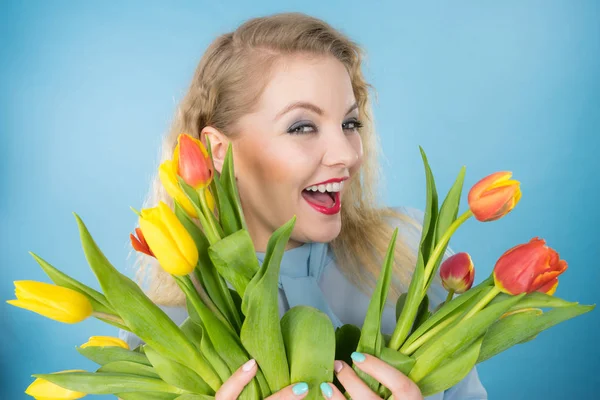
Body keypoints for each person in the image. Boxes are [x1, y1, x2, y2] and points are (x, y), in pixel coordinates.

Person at [120, 11, 488, 400]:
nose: (346, 154)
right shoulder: (165, 330)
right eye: (302, 127)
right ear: (218, 151)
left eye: (350, 124)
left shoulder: (412, 255)